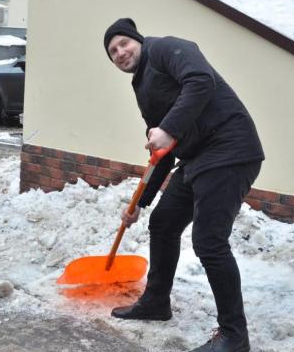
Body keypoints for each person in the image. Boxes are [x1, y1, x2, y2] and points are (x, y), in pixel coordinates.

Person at [104, 18, 264, 352]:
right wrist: (140, 203)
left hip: (229, 147)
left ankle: (234, 335)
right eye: (113, 52)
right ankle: (156, 302)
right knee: (162, 223)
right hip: (198, 158)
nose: (120, 53)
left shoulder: (164, 48)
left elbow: (200, 80)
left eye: (123, 43)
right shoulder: (141, 85)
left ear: (138, 39)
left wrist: (170, 128)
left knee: (209, 240)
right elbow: (161, 152)